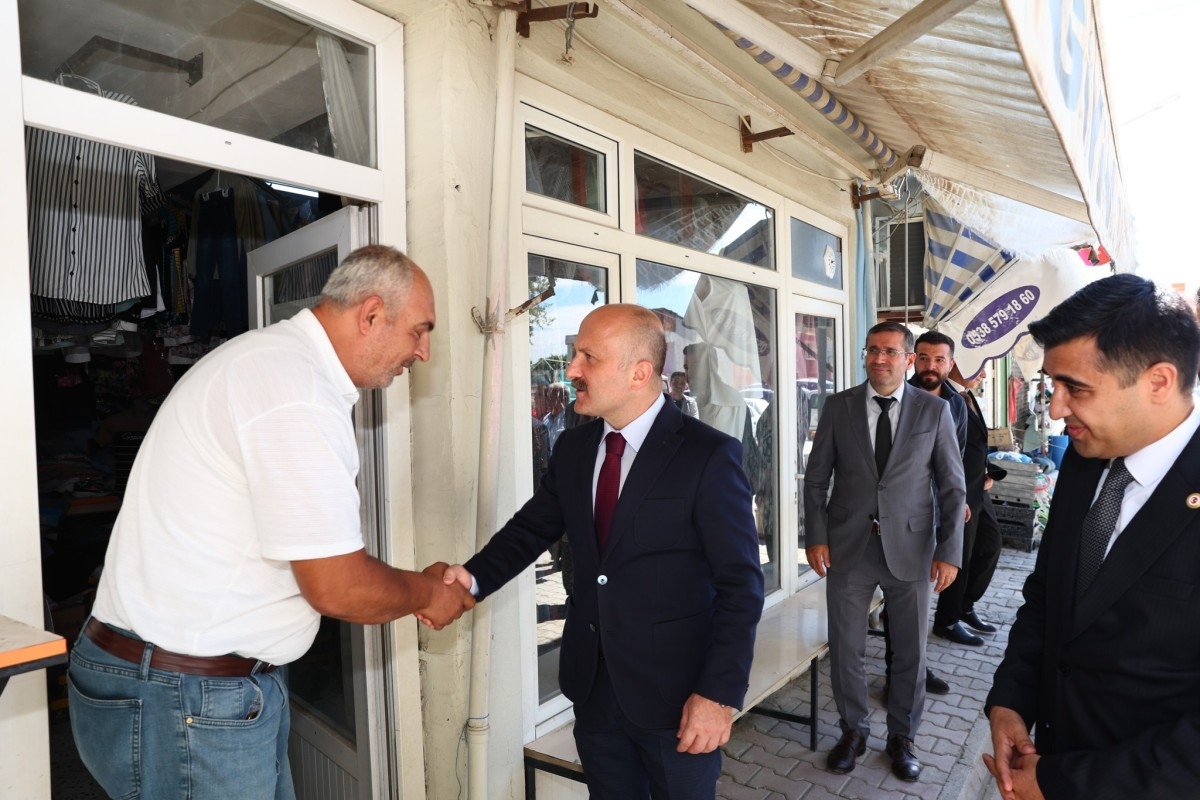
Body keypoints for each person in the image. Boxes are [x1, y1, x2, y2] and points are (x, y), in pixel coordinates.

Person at [68, 245, 476, 800]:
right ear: (372, 314)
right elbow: (337, 585)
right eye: (420, 331)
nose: (424, 352)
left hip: (191, 686)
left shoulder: (272, 365)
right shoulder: (295, 392)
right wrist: (428, 593)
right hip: (187, 697)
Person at [441, 304, 764, 800]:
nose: (571, 369)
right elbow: (530, 529)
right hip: (593, 690)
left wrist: (718, 695)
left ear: (639, 373)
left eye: (588, 357)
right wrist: (471, 578)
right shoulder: (573, 449)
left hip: (678, 701)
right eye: (575, 354)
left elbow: (741, 586)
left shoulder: (708, 455)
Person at [985, 273, 1200, 800]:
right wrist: (1011, 700)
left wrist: (1064, 784)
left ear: (1158, 381)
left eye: (1076, 388)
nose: (1056, 409)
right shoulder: (1086, 461)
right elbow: (1047, 596)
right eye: (1053, 385)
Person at [804, 321, 965, 781]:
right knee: (846, 648)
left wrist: (950, 551)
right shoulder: (838, 407)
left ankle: (903, 736)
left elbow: (952, 487)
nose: (880, 358)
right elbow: (816, 479)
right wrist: (815, 536)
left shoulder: (934, 411)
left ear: (909, 360)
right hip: (848, 548)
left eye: (891, 351)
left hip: (912, 549)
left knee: (910, 652)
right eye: (873, 350)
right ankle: (853, 731)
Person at [947, 363, 1005, 636]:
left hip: (978, 486)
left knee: (990, 545)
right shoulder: (944, 396)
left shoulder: (968, 395)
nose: (983, 374)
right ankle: (947, 619)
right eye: (979, 367)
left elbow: (974, 444)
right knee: (960, 555)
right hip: (959, 490)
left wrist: (986, 470)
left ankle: (965, 605)